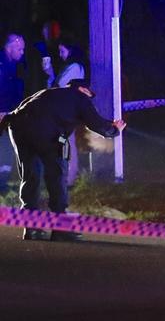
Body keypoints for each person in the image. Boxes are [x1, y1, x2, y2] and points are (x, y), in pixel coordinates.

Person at [0, 79, 126, 241]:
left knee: (30, 176)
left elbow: (22, 109)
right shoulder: (79, 97)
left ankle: (31, 228)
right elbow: (95, 123)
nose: (90, 97)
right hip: (46, 131)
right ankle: (60, 228)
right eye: (89, 93)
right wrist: (115, 129)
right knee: (57, 175)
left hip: (17, 127)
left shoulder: (48, 93)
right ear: (81, 89)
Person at [42, 39, 86, 186]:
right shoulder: (68, 67)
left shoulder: (75, 67)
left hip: (68, 111)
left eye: (63, 51)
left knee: (67, 142)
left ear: (71, 50)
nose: (60, 55)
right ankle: (65, 176)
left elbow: (58, 87)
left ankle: (70, 178)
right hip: (62, 111)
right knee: (62, 142)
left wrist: (51, 74)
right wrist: (50, 74)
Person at [0, 33, 26, 191]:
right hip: (2, 112)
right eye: (19, 48)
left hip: (9, 112)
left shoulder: (15, 65)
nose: (22, 52)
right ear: (9, 47)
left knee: (8, 147)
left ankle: (3, 182)